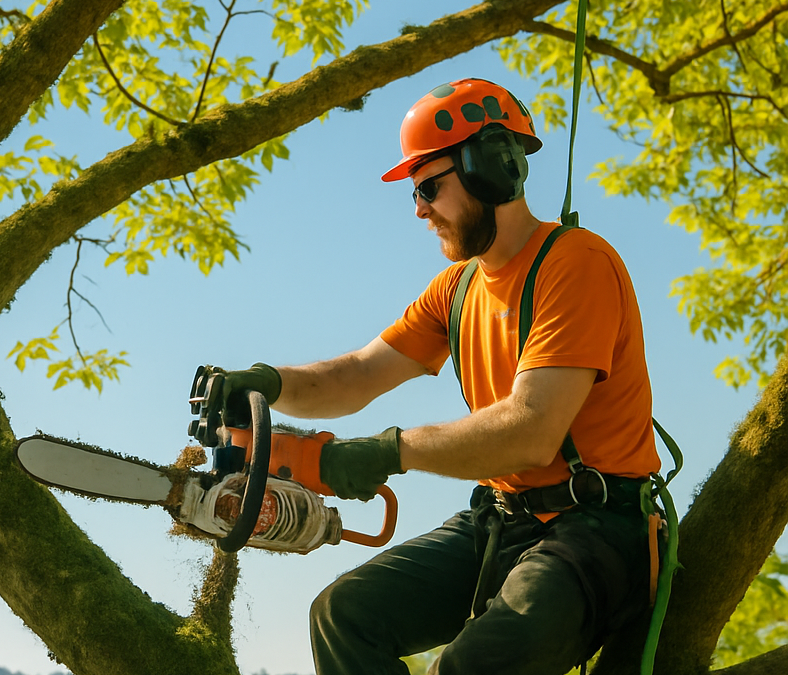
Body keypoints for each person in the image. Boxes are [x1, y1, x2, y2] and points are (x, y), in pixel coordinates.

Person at [217, 78, 661, 675]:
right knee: (343, 614)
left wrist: (387, 452)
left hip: (598, 530)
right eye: (415, 193)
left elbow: (532, 430)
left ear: (492, 166)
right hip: (502, 520)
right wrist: (266, 383)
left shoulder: (575, 263)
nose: (419, 209)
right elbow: (357, 373)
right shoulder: (457, 288)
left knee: (466, 667)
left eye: (429, 187)